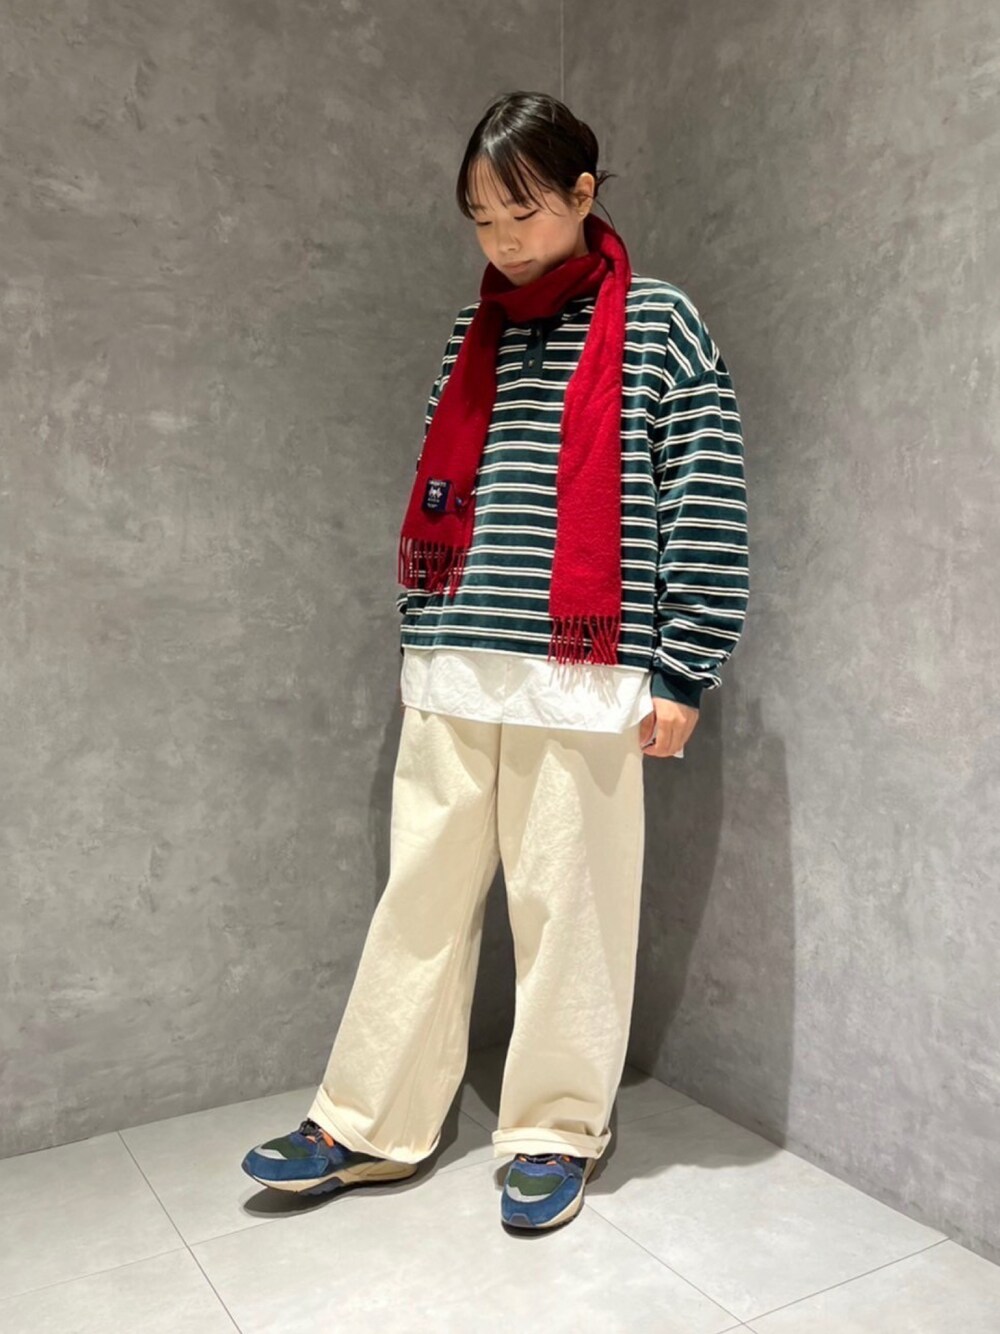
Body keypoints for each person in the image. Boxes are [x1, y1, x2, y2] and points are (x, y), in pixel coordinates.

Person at [242, 90, 749, 1232]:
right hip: (456, 660)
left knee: (571, 908)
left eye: (523, 212)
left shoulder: (659, 322)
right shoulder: (472, 332)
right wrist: (419, 633)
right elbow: (437, 495)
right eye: (481, 218)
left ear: (583, 192)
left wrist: (685, 667)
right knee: (417, 899)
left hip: (584, 670)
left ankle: (555, 1128)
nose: (504, 241)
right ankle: (368, 1121)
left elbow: (705, 495)